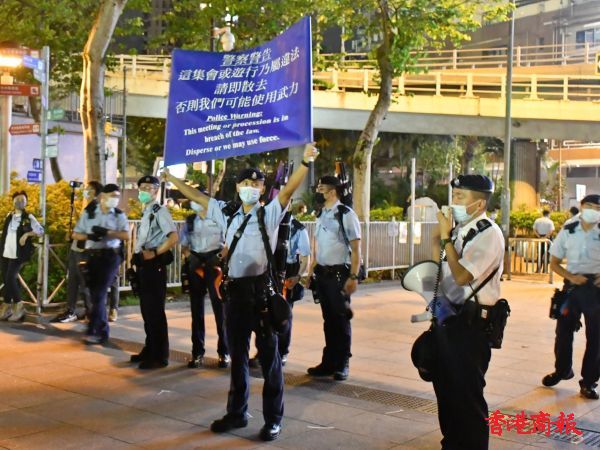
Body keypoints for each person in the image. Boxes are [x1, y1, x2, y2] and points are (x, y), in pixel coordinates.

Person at [163, 142, 319, 442]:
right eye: (245, 183)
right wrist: (171, 179)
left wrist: (305, 162)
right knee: (237, 357)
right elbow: (198, 197)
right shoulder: (226, 213)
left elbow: (287, 192)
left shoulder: (269, 213)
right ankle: (237, 413)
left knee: (270, 360)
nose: (250, 187)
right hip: (235, 294)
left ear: (262, 189)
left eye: (256, 184)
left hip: (262, 294)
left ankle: (273, 419)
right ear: (237, 187)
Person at [429, 174, 504, 450]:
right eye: (454, 195)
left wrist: (445, 238)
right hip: (450, 317)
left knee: (467, 394)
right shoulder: (461, 230)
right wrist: (440, 238)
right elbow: (439, 268)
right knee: (446, 388)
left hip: (472, 324)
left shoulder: (488, 233)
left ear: (479, 204)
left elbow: (461, 276)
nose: (454, 202)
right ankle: (452, 442)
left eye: (460, 197)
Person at [542, 194, 600, 400]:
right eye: (589, 206)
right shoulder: (569, 228)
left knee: (596, 337)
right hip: (572, 288)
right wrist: (571, 277)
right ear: (581, 207)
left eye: (597, 208)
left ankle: (589, 382)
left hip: (596, 289)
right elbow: (554, 262)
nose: (593, 210)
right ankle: (562, 370)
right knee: (563, 332)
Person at [306, 176, 361, 382]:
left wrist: (353, 276)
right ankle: (328, 362)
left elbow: (356, 248)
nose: (318, 193)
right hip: (323, 273)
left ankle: (342, 363)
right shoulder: (321, 214)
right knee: (328, 320)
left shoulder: (345, 214)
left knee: (340, 319)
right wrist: (311, 270)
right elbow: (319, 245)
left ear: (331, 192)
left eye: (321, 189)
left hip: (339, 274)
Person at [129, 176, 179, 369]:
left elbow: (173, 237)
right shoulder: (147, 211)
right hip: (144, 265)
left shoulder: (160, 211)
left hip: (154, 266)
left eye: (149, 188)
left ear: (157, 190)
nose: (145, 191)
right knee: (147, 311)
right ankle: (150, 348)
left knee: (155, 312)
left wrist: (156, 253)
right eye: (142, 187)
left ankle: (160, 355)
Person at [71, 184, 129, 345]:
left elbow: (126, 235)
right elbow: (75, 234)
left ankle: (93, 330)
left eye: (117, 196)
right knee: (93, 293)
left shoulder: (118, 215)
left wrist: (107, 233)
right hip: (91, 256)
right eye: (112, 196)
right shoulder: (89, 213)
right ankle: (102, 331)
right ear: (102, 196)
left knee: (99, 293)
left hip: (110, 257)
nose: (115, 199)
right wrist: (90, 236)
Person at [180, 192, 229, 369]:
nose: (196, 203)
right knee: (196, 311)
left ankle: (224, 352)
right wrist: (189, 256)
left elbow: (230, 242)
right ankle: (197, 352)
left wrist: (219, 257)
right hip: (196, 265)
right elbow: (184, 245)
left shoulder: (220, 219)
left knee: (220, 310)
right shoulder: (190, 221)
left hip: (215, 266)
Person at [55, 181, 103, 323]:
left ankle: (90, 313)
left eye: (89, 189)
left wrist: (76, 235)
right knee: (73, 282)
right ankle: (71, 310)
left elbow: (92, 231)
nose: (86, 191)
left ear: (95, 192)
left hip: (84, 251)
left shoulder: (96, 208)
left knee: (84, 283)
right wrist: (75, 213)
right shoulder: (89, 207)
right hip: (76, 248)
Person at [0, 191, 44, 322]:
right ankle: (7, 307)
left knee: (10, 278)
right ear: (13, 201)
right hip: (5, 253)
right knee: (6, 279)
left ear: (26, 202)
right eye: (17, 199)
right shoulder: (9, 216)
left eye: (23, 200)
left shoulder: (28, 217)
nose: (20, 202)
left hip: (18, 254)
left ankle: (19, 306)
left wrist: (27, 234)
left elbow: (41, 231)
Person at [279, 206, 311, 364]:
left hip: (288, 272)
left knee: (284, 313)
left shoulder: (298, 229)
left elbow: (305, 256)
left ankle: (282, 351)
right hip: (270, 270)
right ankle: (265, 350)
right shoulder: (269, 223)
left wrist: (298, 276)